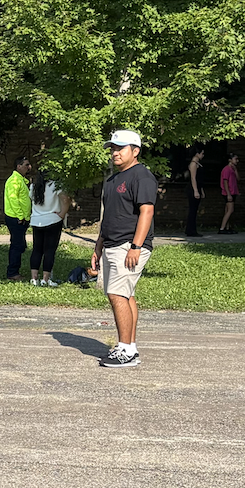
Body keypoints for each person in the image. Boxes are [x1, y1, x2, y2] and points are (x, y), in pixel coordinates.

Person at [89, 130, 158, 368]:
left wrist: (136, 246)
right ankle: (130, 346)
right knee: (125, 295)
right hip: (111, 244)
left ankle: (125, 350)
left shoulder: (142, 176)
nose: (115, 152)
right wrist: (98, 247)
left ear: (135, 151)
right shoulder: (112, 180)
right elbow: (109, 216)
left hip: (129, 245)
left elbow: (146, 212)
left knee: (116, 294)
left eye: (120, 148)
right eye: (112, 148)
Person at [27, 169, 68, 287]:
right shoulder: (55, 185)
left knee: (37, 249)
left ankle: (34, 278)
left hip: (36, 221)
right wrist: (62, 214)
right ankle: (46, 278)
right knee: (49, 250)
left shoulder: (33, 186)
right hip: (52, 220)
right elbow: (65, 200)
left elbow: (31, 199)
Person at [3, 154, 32, 281]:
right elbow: (13, 200)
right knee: (17, 245)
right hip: (16, 218)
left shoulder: (20, 180)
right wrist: (21, 216)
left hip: (21, 218)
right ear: (18, 166)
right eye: (26, 165)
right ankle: (12, 273)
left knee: (19, 245)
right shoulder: (14, 181)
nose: (29, 167)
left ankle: (14, 271)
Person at [184, 146, 205, 238]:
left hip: (198, 188)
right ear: (197, 154)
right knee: (192, 210)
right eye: (202, 153)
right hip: (193, 189)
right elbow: (193, 178)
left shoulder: (198, 164)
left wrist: (201, 191)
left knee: (195, 210)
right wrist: (196, 191)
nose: (203, 155)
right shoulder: (193, 164)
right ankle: (190, 230)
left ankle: (192, 229)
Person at [218, 152, 242, 233]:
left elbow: (238, 179)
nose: (237, 161)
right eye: (235, 159)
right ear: (230, 160)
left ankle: (227, 227)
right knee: (230, 210)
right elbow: (225, 182)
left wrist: (235, 170)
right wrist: (228, 194)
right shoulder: (226, 169)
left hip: (233, 191)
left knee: (227, 210)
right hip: (228, 192)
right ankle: (222, 228)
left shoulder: (233, 169)